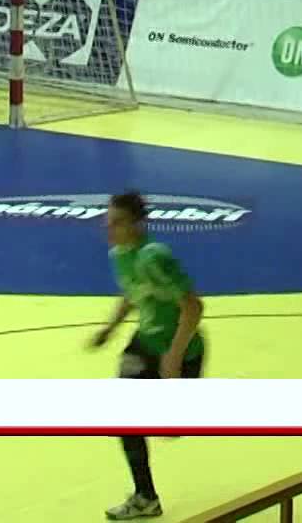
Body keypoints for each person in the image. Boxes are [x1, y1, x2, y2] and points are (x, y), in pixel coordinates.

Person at [88, 191, 206, 521]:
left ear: (138, 223)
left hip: (181, 349)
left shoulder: (154, 256)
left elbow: (193, 307)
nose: (109, 229)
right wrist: (110, 328)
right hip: (145, 343)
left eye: (117, 222)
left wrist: (174, 357)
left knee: (170, 429)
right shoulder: (119, 254)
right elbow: (132, 291)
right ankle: (145, 497)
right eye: (107, 222)